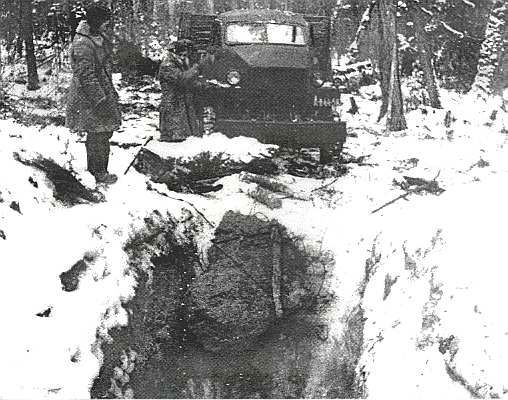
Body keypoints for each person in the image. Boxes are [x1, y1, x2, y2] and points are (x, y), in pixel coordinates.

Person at [66, 2, 121, 184]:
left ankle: (96, 170)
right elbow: (86, 76)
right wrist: (100, 100)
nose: (108, 24)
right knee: (98, 135)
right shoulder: (83, 43)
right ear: (96, 21)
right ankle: (99, 173)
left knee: (102, 133)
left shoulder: (97, 37)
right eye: (105, 21)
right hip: (90, 98)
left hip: (100, 92)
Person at [158, 40, 214, 142]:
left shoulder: (178, 63)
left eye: (185, 55)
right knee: (173, 140)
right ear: (174, 53)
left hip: (181, 106)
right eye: (181, 55)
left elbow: (188, 82)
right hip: (173, 107)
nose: (183, 57)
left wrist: (203, 85)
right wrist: (197, 67)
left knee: (185, 139)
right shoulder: (168, 65)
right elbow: (183, 79)